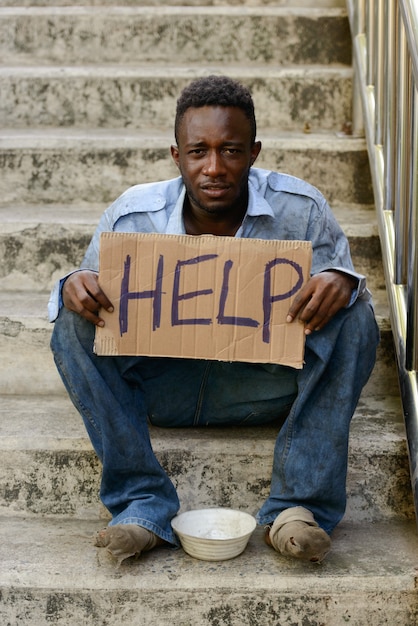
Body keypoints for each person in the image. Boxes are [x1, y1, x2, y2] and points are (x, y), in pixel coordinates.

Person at [49, 75, 379, 565]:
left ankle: (297, 506)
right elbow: (91, 310)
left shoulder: (302, 210)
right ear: (175, 155)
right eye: (198, 151)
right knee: (70, 321)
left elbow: (339, 313)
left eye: (231, 151)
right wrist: (75, 282)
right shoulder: (131, 216)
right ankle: (141, 504)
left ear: (254, 152)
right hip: (161, 389)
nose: (214, 167)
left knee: (356, 317)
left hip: (263, 391)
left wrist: (342, 280)